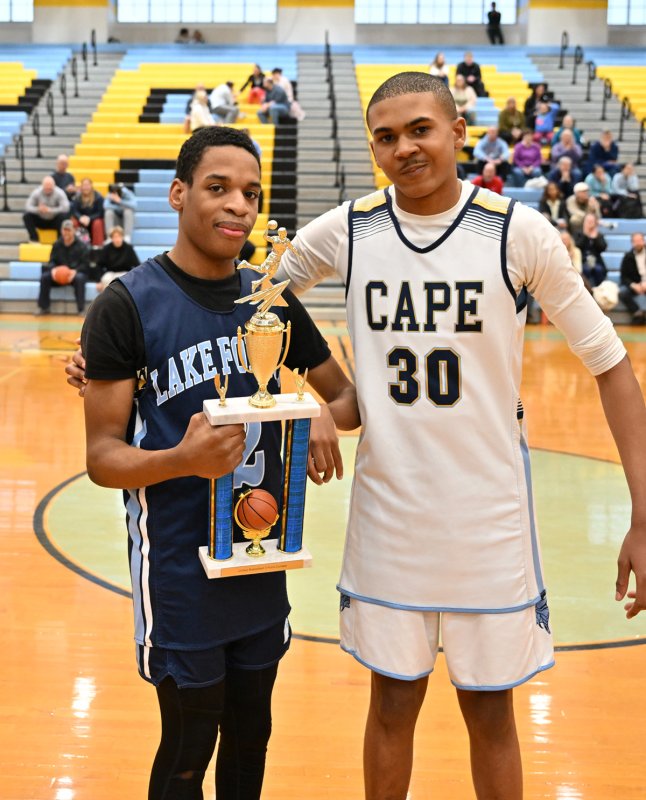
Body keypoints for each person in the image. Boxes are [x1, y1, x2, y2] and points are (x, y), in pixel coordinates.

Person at [270, 72, 646, 800]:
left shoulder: (516, 231)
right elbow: (252, 296)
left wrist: (645, 512)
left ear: (457, 132)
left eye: (419, 129)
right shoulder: (349, 229)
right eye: (386, 137)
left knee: (491, 710)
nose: (404, 148)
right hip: (390, 514)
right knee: (392, 704)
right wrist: (309, 396)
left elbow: (611, 364)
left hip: (488, 519)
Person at [76, 126, 360, 800]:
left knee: (251, 734)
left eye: (251, 194)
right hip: (178, 567)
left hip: (261, 554)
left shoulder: (271, 301)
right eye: (218, 188)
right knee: (188, 742)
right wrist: (182, 458)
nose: (239, 205)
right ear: (178, 194)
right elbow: (102, 457)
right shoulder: (126, 305)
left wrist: (327, 415)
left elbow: (347, 395)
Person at [36, 219, 90, 315]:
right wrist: (53, 270)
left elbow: (85, 264)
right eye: (65, 230)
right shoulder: (56, 244)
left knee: (80, 278)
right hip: (59, 274)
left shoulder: (82, 246)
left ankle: (81, 309)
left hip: (74, 274)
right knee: (45, 277)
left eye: (69, 230)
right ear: (61, 231)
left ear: (73, 231)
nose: (66, 232)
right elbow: (52, 261)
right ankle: (43, 307)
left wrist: (75, 271)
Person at [23, 175, 70, 242]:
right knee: (26, 216)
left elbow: (66, 208)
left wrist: (50, 210)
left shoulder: (60, 193)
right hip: (40, 219)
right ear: (42, 186)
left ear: (54, 186)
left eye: (50, 187)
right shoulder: (36, 192)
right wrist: (38, 209)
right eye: (46, 187)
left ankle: (60, 241)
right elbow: (27, 206)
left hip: (54, 220)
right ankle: (34, 238)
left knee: (63, 216)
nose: (48, 188)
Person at [95, 225, 139, 292]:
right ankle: (107, 301)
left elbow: (137, 264)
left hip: (124, 272)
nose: (117, 239)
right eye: (115, 237)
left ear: (122, 237)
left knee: (124, 280)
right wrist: (98, 281)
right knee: (106, 279)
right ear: (111, 238)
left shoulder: (128, 248)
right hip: (110, 272)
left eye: (119, 236)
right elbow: (99, 265)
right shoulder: (107, 248)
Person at [618, 232, 646, 324]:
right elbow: (624, 276)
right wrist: (633, 285)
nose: (638, 243)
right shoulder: (627, 256)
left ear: (644, 241)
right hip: (635, 285)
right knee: (622, 292)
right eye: (635, 241)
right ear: (632, 243)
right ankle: (637, 312)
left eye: (640, 240)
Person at [575, 211, 608, 287]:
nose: (590, 223)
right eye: (588, 221)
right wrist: (585, 235)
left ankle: (598, 291)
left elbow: (603, 248)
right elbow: (577, 247)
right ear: (584, 222)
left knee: (599, 270)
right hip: (581, 261)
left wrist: (596, 238)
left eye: (592, 221)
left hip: (596, 261)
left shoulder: (598, 235)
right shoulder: (578, 233)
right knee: (585, 270)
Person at [70, 177, 105, 246]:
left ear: (91, 186)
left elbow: (100, 213)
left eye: (88, 185)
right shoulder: (77, 197)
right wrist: (80, 217)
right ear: (81, 187)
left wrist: (89, 218)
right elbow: (74, 210)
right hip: (81, 221)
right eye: (84, 185)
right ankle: (75, 245)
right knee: (73, 221)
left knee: (98, 223)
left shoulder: (98, 197)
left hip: (93, 220)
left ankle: (97, 247)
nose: (86, 187)